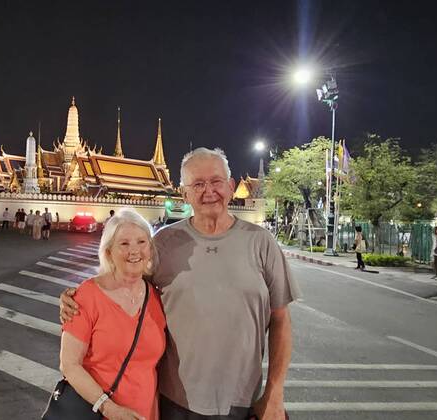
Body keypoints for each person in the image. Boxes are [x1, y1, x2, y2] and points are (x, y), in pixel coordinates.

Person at [61, 147, 299, 419]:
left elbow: (281, 320)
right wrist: (75, 298)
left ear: (231, 187)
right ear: (184, 194)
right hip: (176, 403)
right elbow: (125, 284)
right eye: (197, 184)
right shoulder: (164, 243)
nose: (208, 191)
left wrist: (275, 393)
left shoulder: (262, 243)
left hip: (243, 401)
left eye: (216, 181)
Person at [59, 208, 165, 420]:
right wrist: (108, 408)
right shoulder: (87, 295)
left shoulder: (156, 296)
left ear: (150, 249)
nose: (134, 251)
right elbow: (69, 365)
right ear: (109, 252)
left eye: (142, 242)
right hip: (100, 412)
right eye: (124, 244)